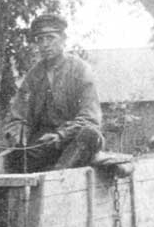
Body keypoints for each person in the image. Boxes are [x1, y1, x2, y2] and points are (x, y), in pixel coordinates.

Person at [6, 13, 103, 172]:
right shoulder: (33, 76)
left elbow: (90, 117)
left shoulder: (80, 70)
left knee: (89, 134)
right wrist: (18, 137)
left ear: (63, 39)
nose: (45, 44)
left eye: (50, 38)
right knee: (14, 155)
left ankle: (57, 178)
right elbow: (18, 116)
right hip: (44, 145)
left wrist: (61, 135)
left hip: (74, 141)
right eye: (40, 39)